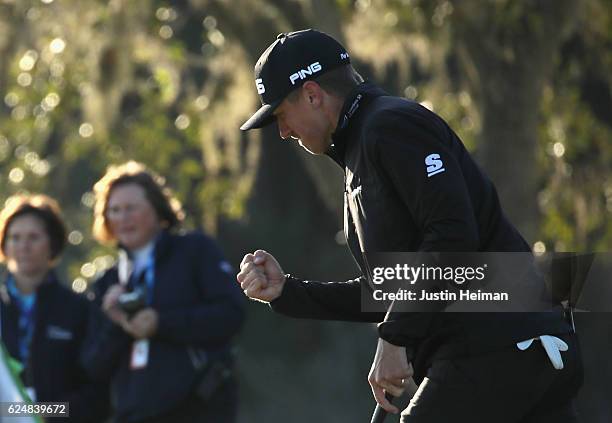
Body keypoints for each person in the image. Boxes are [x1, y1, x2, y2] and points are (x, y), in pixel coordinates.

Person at [237, 29, 582, 422]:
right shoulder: (360, 150)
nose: (283, 132)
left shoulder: (390, 126)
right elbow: (392, 287)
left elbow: (453, 238)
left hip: (501, 346)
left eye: (282, 115)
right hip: (510, 351)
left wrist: (395, 334)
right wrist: (290, 292)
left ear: (313, 94)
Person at [82, 161, 244, 423]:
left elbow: (231, 314)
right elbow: (92, 367)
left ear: (158, 211)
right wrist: (116, 324)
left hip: (200, 409)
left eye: (131, 208)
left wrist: (161, 323)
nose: (123, 218)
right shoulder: (107, 281)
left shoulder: (195, 250)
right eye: (114, 210)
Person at [0, 194, 109, 423]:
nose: (23, 246)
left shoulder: (77, 309)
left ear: (52, 243)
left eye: (33, 237)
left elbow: (96, 393)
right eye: (15, 238)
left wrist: (49, 412)